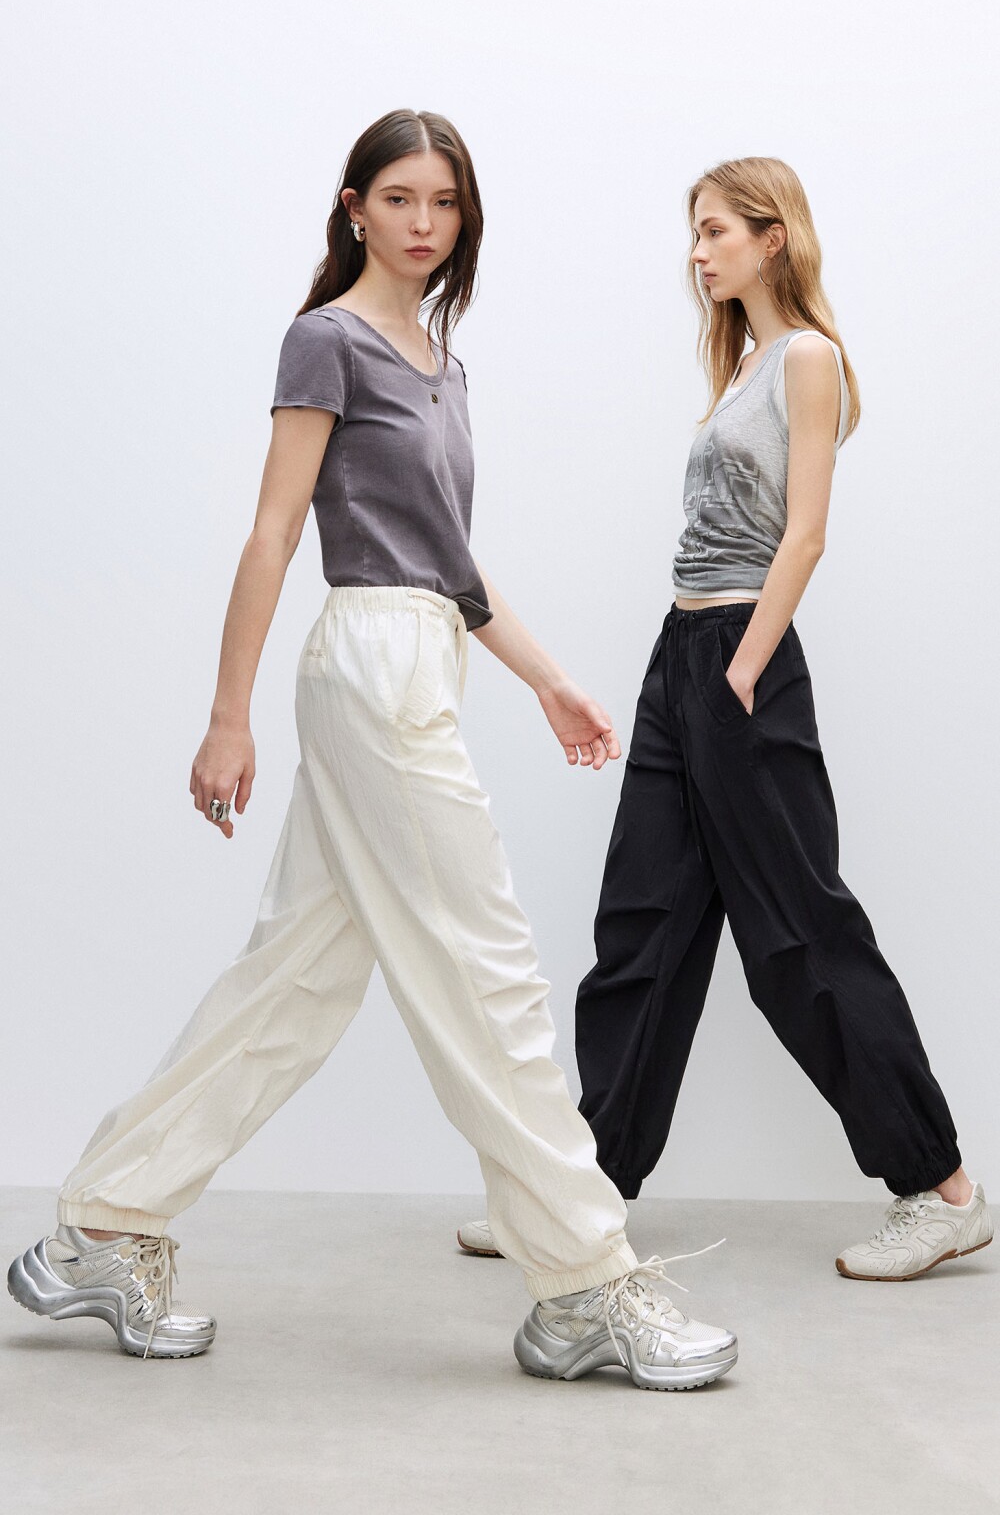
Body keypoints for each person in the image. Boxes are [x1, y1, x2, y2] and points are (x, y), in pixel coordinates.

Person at [6, 109, 738, 1390]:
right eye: (397, 197)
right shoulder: (328, 339)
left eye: (443, 203)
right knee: (487, 971)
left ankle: (103, 1226)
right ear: (353, 207)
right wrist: (226, 712)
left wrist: (552, 682)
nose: (421, 222)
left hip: (421, 659)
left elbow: (452, 565)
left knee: (291, 983)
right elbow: (274, 530)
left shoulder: (441, 360)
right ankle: (584, 1282)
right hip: (371, 667)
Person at [458, 155, 991, 1283]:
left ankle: (942, 1190)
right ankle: (584, 1197)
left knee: (801, 932)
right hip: (682, 654)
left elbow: (806, 531)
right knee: (640, 928)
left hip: (744, 659)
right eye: (694, 234)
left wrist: (743, 669)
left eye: (716, 231)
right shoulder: (742, 362)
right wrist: (698, 669)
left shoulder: (806, 358)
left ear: (772, 236)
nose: (698, 253)